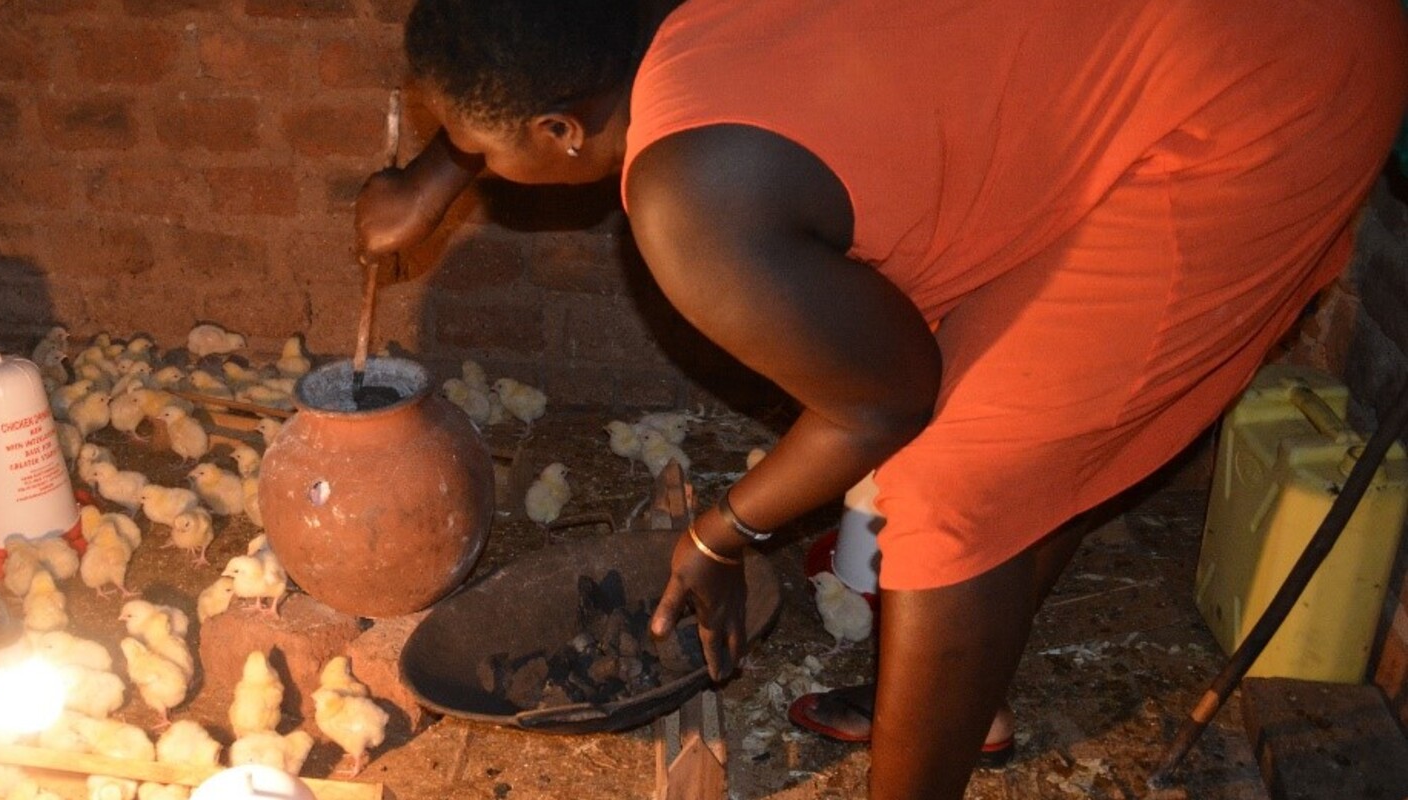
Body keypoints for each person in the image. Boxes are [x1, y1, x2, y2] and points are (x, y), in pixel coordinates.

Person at [353, 0, 1408, 796]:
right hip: (1160, 50)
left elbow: (888, 400)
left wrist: (720, 535)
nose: (477, 164)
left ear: (561, 131)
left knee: (952, 479)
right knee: (1005, 425)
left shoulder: (686, 201)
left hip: (1260, 87)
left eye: (485, 149)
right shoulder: (646, 34)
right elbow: (537, 60)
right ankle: (960, 697)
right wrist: (435, 176)